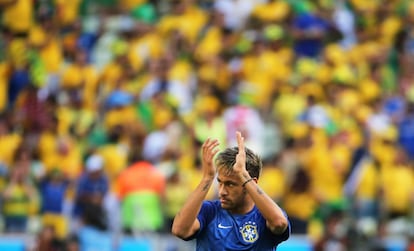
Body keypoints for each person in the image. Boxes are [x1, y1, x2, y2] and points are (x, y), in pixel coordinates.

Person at [171, 131, 290, 250]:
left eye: (230, 184)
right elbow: (179, 230)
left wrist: (243, 174)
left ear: (251, 183)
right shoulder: (209, 211)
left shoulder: (264, 216)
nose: (221, 191)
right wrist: (207, 178)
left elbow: (279, 223)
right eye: (220, 182)